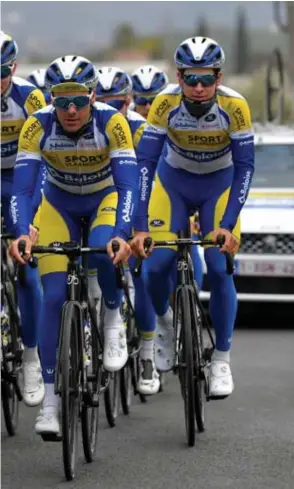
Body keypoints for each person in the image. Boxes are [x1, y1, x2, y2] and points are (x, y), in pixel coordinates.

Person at [9, 55, 138, 435]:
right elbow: (23, 187)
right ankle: (50, 403)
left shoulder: (111, 122)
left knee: (103, 250)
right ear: (51, 99)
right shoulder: (38, 125)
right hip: (58, 204)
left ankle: (113, 317)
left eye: (78, 101)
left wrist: (123, 231)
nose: (69, 110)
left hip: (104, 199)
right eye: (61, 100)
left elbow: (129, 184)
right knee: (52, 297)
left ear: (93, 96)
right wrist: (21, 230)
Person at [131, 37, 255, 398]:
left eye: (207, 79)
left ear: (219, 77)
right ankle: (166, 326)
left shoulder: (235, 106)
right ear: (179, 77)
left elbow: (246, 167)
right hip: (173, 186)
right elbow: (144, 164)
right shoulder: (164, 103)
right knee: (154, 266)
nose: (199, 88)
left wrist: (227, 225)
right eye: (190, 79)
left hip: (219, 187)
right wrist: (139, 225)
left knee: (219, 266)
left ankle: (220, 359)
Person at [94, 65, 159, 394]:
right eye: (103, 100)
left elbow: (155, 176)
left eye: (117, 103)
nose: (109, 108)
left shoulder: (137, 128)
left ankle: (148, 352)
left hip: (137, 201)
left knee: (143, 273)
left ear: (128, 102)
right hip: (98, 202)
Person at [1, 30, 46, 406]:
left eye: (0, 72)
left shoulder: (29, 96)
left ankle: (31, 356)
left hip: (23, 178)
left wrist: (30, 217)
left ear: (13, 68)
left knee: (28, 270)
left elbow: (46, 157)